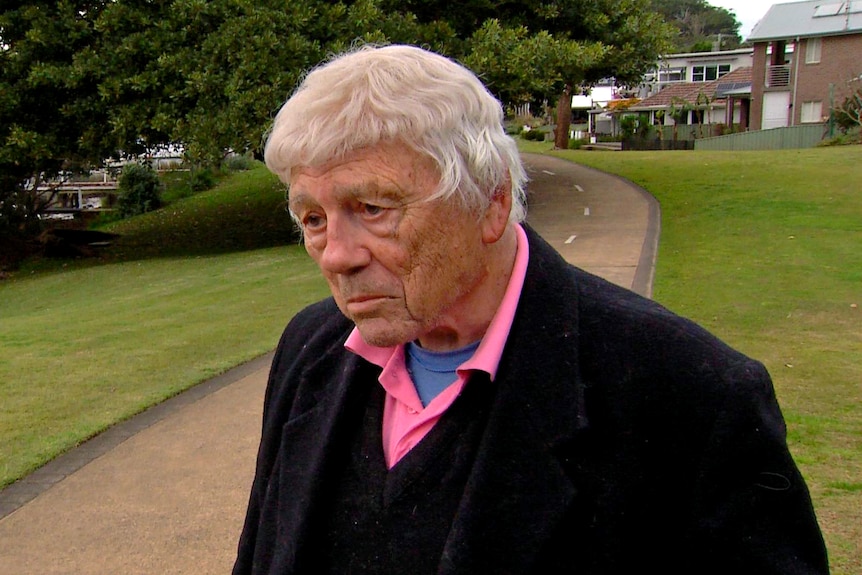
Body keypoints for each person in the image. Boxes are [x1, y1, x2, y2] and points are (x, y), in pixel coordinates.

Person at [233, 44, 828, 574]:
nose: (335, 256)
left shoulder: (690, 394)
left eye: (373, 207)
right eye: (313, 218)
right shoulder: (311, 347)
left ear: (490, 202)